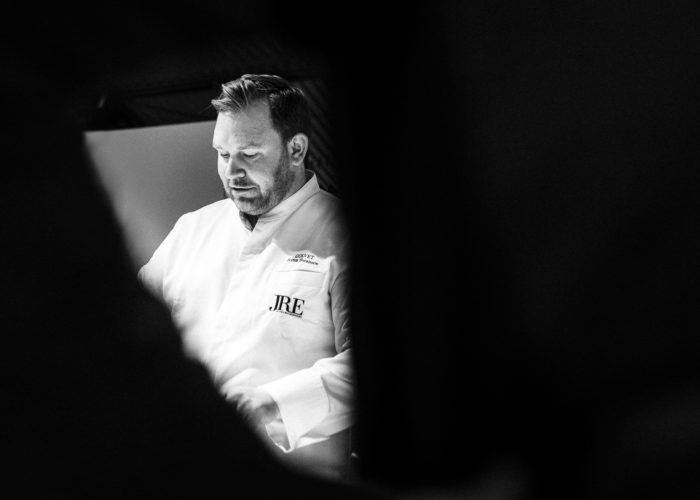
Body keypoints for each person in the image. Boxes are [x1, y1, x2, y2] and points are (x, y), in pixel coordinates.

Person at [138, 74, 354, 479]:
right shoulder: (192, 229)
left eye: (249, 155)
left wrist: (272, 403)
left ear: (296, 149)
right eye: (223, 154)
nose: (231, 172)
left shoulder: (342, 234)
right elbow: (130, 325)